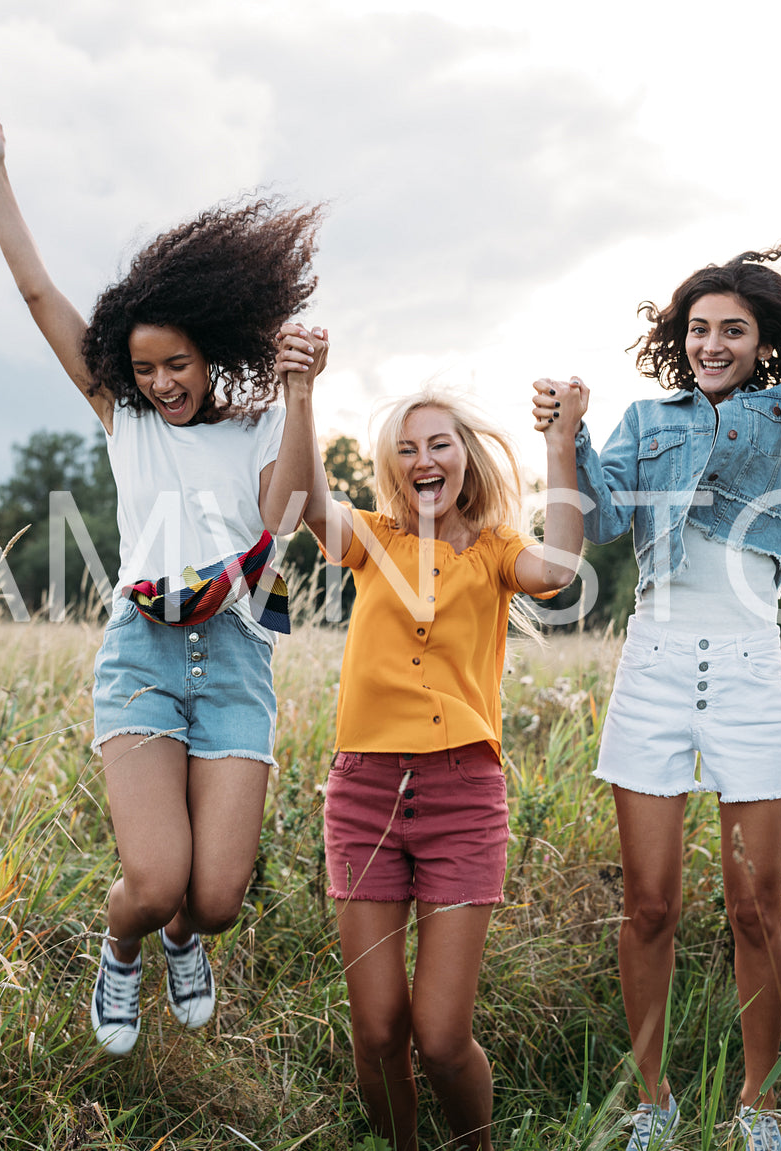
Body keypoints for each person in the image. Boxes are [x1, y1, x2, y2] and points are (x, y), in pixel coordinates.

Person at [0, 108, 327, 1056]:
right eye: (146, 367)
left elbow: (283, 520)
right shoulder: (128, 422)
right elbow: (40, 297)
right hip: (142, 655)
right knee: (154, 883)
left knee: (215, 899)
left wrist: (303, 394)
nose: (161, 383)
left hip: (235, 658)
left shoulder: (253, 432)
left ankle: (184, 942)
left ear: (213, 354)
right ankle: (123, 945)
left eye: (178, 365)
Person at [540, 174, 781, 1150]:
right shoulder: (647, 425)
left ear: (757, 340)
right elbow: (597, 520)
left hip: (745, 673)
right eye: (698, 329)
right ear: (678, 336)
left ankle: (758, 1103)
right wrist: (561, 435)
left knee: (754, 905)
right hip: (651, 667)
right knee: (647, 902)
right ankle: (652, 1096)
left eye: (730, 330)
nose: (711, 344)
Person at [285, 374, 581, 1149]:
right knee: (377, 1028)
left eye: (439, 443)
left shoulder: (496, 551)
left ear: (464, 456)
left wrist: (560, 440)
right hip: (365, 796)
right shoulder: (371, 538)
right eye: (407, 448)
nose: (424, 458)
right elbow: (307, 501)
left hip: (463, 797)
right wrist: (299, 390)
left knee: (440, 1038)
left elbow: (561, 571)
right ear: (393, 466)